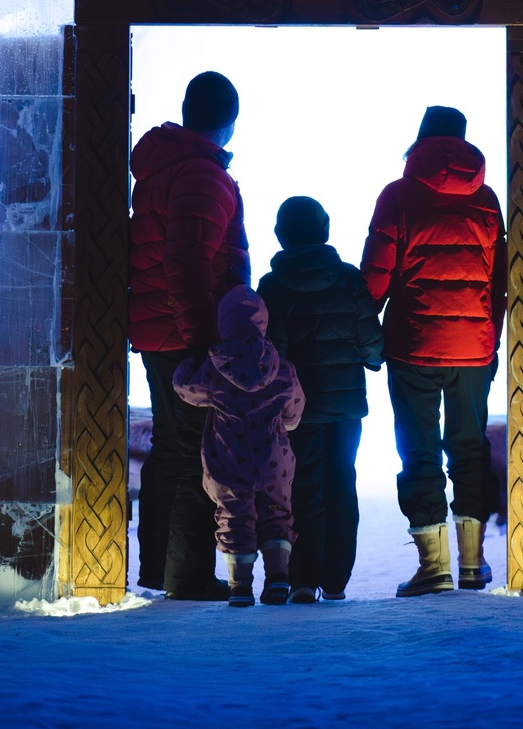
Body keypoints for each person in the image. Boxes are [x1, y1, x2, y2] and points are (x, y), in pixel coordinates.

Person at [361, 105, 506, 597]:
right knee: (469, 448)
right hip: (474, 351)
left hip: (413, 348)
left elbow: (375, 277)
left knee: (419, 451)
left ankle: (434, 567)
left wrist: (367, 330)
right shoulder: (486, 200)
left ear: (420, 141)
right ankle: (473, 563)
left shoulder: (397, 196)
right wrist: (491, 336)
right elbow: (501, 278)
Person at [128, 71, 249, 599]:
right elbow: (188, 263)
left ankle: (159, 570)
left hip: (159, 328)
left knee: (170, 451)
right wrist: (204, 341)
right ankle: (186, 574)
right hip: (185, 336)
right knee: (194, 455)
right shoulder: (201, 176)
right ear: (229, 123)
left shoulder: (161, 170)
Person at [258, 196, 383, 603]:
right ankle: (336, 580)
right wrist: (373, 358)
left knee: (301, 487)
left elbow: (273, 349)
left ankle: (302, 579)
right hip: (345, 407)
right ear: (325, 230)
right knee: (342, 483)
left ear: (280, 235)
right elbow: (370, 341)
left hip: (297, 411)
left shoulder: (272, 286)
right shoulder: (348, 279)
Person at [173, 286, 306, 607]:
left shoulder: (215, 367)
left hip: (227, 458)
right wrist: (283, 424)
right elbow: (294, 412)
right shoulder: (282, 367)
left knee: (233, 517)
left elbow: (185, 388)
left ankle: (239, 587)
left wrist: (184, 366)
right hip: (275, 457)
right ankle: (278, 579)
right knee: (277, 514)